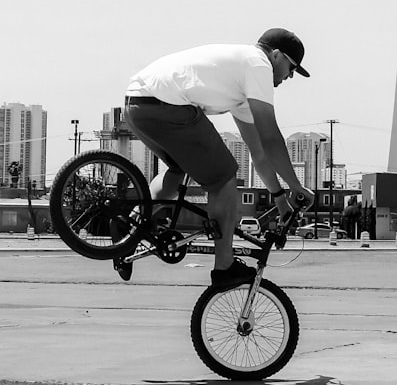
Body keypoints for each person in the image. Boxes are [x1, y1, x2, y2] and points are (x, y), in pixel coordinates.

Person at [122, 28, 316, 289]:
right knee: (224, 178)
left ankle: (126, 230)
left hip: (137, 105)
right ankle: (225, 267)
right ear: (277, 55)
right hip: (166, 105)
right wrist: (297, 187)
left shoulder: (242, 81)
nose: (290, 76)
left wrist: (280, 198)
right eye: (291, 68)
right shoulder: (258, 64)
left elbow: (258, 152)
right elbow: (271, 138)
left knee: (177, 170)